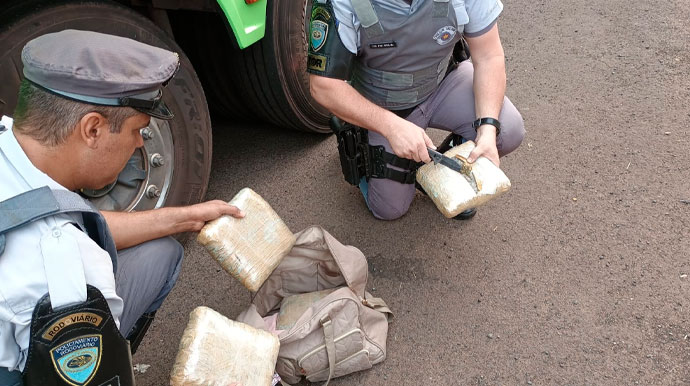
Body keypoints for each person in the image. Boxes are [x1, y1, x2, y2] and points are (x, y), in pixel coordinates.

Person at [0, 30, 244, 386]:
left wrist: (185, 217)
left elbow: (48, 213)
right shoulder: (68, 269)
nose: (137, 144)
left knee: (161, 251)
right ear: (93, 129)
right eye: (137, 131)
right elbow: (54, 237)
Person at [307, 0, 525, 220]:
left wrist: (487, 129)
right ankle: (357, 140)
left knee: (506, 130)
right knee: (389, 209)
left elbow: (489, 56)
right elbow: (323, 86)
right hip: (382, 104)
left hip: (442, 82)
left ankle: (447, 166)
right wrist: (391, 127)